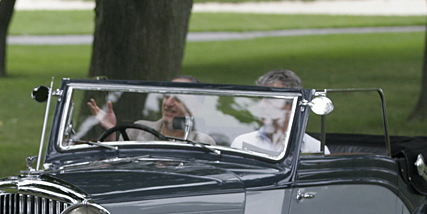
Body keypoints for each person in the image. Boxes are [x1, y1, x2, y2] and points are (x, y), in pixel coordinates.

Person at [88, 76, 216, 145]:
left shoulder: (203, 142)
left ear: (195, 109)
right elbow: (112, 166)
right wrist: (110, 131)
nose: (168, 103)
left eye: (178, 98)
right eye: (166, 96)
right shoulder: (136, 131)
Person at [231, 69, 326, 155]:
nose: (261, 105)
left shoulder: (316, 149)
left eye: (271, 99)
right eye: (260, 98)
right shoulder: (240, 144)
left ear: (291, 104)